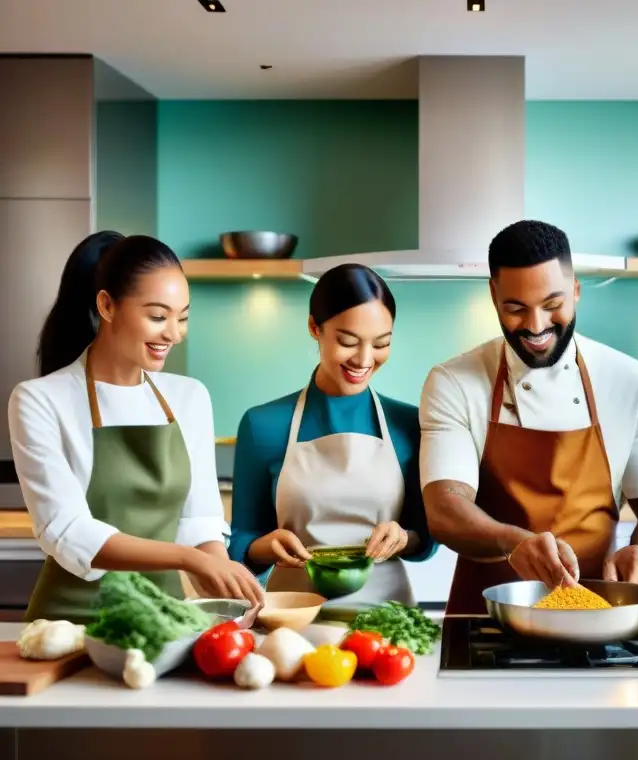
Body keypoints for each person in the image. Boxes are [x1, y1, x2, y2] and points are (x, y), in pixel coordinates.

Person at [419, 219, 638, 614]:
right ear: (493, 296)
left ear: (575, 291)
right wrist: (514, 543)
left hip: (596, 618)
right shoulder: (454, 382)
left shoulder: (633, 383)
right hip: (484, 620)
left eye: (552, 305)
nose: (536, 325)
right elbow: (444, 509)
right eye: (516, 309)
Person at [8, 231, 265, 622]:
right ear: (107, 305)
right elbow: (69, 532)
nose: (174, 334)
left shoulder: (189, 397)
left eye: (182, 318)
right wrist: (189, 559)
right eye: (158, 316)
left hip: (161, 622)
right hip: (69, 624)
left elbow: (201, 522)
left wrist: (228, 590)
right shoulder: (39, 399)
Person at [228, 264, 436, 605]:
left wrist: (403, 537)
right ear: (314, 327)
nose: (365, 359)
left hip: (386, 619)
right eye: (348, 341)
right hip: (292, 619)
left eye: (381, 344)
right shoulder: (261, 425)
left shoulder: (409, 423)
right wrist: (266, 546)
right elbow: (241, 543)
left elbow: (425, 538)